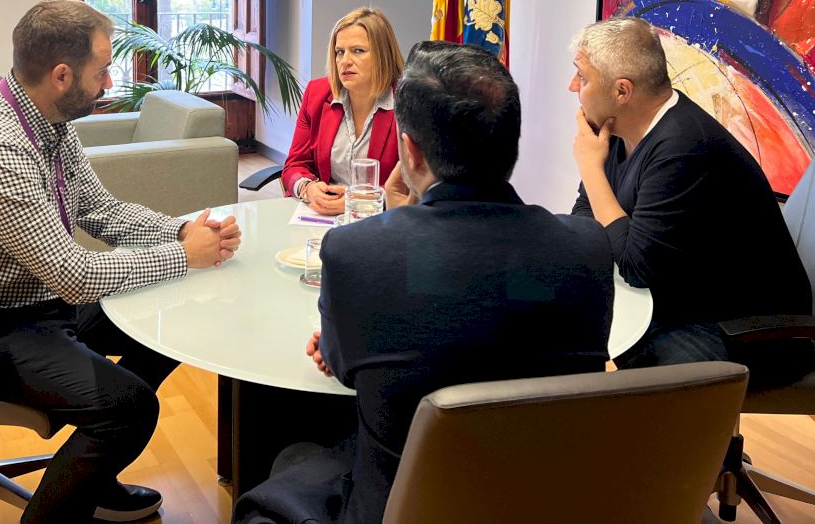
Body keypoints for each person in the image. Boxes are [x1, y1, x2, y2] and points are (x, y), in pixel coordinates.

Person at [236, 42, 614, 524]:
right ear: (512, 143)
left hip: (400, 503)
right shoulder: (587, 248)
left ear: (409, 151)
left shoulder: (356, 253)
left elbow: (343, 367)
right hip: (544, 500)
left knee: (294, 458)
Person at [0, 0, 241, 524]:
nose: (109, 82)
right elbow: (74, 276)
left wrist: (180, 231)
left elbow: (100, 210)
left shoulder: (47, 122)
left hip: (25, 302)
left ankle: (91, 478)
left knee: (171, 321)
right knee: (129, 407)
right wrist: (182, 255)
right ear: (61, 75)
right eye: (102, 71)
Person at [568, 16, 812, 372]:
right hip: (680, 295)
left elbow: (636, 266)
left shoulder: (684, 147)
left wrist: (591, 169)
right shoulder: (618, 131)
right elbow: (584, 215)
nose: (572, 86)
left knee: (603, 354)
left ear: (622, 91)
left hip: (746, 328)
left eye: (582, 77)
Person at [282, 7, 405, 215]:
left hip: (383, 219)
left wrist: (364, 200)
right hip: (323, 216)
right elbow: (295, 164)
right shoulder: (316, 94)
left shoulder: (408, 102)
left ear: (383, 54)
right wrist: (307, 188)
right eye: (340, 52)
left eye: (358, 51)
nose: (345, 61)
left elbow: (419, 180)